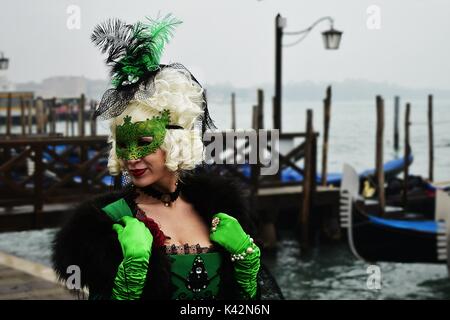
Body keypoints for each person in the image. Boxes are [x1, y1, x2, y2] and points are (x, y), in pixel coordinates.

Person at [52, 14, 282, 300]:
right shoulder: (107, 224)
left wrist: (246, 265)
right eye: (124, 145)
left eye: (145, 142)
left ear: (176, 141)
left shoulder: (220, 210)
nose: (131, 157)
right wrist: (130, 276)